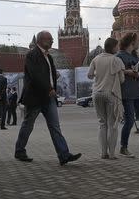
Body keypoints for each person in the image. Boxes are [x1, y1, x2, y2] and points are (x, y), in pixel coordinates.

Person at [14, 31, 81, 165]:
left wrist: (53, 77)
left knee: (55, 126)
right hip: (35, 97)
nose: (52, 42)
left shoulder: (48, 57)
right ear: (41, 40)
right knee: (28, 125)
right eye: (50, 39)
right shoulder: (32, 55)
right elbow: (35, 75)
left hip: (48, 98)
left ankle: (64, 155)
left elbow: (45, 74)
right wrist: (49, 88)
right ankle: (19, 151)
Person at [88, 38, 124, 159]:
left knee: (102, 124)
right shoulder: (116, 60)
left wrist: (99, 75)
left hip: (97, 93)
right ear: (113, 47)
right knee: (112, 125)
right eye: (117, 46)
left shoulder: (96, 59)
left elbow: (89, 75)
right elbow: (122, 79)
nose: (118, 48)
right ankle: (112, 154)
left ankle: (103, 153)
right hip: (110, 94)